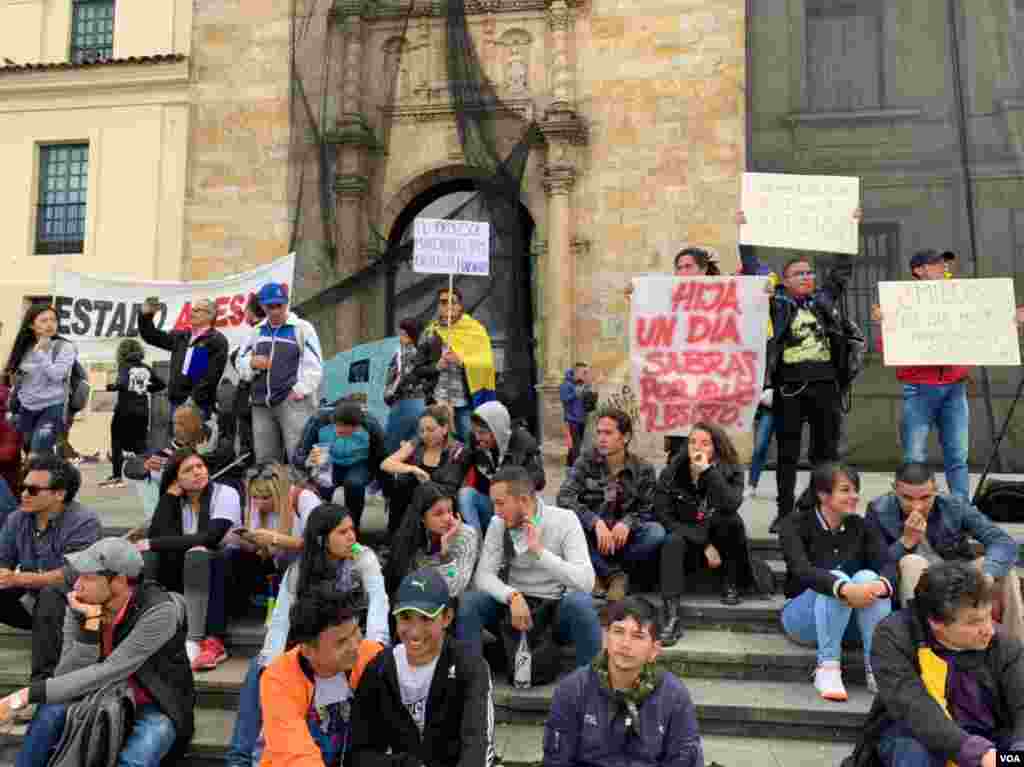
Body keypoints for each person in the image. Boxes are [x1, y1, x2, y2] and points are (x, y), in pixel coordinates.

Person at [1, 538, 195, 767]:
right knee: (48, 714)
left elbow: (110, 670)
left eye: (89, 577)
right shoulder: (82, 605)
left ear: (119, 582)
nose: (77, 586)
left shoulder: (159, 611)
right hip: (98, 695)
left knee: (136, 758)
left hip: (153, 702)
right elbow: (66, 673)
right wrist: (89, 625)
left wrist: (24, 695)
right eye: (79, 576)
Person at [226, 505, 389, 767]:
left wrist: (377, 644)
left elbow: (379, 601)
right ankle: (239, 756)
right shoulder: (299, 569)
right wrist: (270, 660)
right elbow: (280, 621)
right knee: (260, 668)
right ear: (323, 539)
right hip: (308, 645)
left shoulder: (363, 559)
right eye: (343, 532)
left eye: (352, 530)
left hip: (349, 641)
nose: (351, 537)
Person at [842, 561, 1024, 767]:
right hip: (918, 734)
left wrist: (1017, 753)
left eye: (988, 617)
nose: (989, 630)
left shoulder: (1004, 642)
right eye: (974, 622)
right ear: (936, 622)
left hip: (990, 737)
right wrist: (975, 752)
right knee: (912, 750)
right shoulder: (894, 636)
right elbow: (913, 708)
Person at [457, 466, 602, 671]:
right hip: (513, 608)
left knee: (581, 603)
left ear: (523, 500)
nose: (495, 511)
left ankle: (590, 686)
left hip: (554, 609)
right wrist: (512, 595)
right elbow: (483, 576)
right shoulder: (498, 523)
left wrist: (539, 552)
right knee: (470, 602)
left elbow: (587, 581)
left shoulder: (565, 519)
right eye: (493, 504)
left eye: (500, 503)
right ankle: (470, 677)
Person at [350, 567, 497, 767]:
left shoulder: (470, 666)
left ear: (447, 617)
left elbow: (478, 746)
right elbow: (358, 754)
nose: (415, 632)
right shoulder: (379, 669)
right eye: (405, 617)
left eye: (426, 618)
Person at [864, 462, 1023, 639]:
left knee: (1005, 571)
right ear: (895, 490)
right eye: (907, 498)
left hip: (957, 575)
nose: (917, 506)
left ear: (935, 490)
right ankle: (921, 646)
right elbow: (875, 564)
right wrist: (905, 542)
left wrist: (988, 574)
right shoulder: (878, 509)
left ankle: (1016, 648)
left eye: (925, 497)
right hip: (917, 585)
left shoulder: (953, 505)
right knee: (911, 562)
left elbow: (1002, 541)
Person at [543, 596, 705, 767]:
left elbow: (684, 761)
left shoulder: (674, 696)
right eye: (618, 632)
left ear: (654, 650)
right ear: (606, 638)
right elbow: (556, 760)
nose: (625, 644)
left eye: (638, 636)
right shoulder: (573, 689)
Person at [779, 462, 893, 701]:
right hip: (803, 618)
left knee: (869, 577)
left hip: (850, 620)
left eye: (855, 490)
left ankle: (877, 667)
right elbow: (802, 570)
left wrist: (878, 585)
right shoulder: (794, 524)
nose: (854, 496)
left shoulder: (862, 525)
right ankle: (827, 668)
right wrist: (843, 588)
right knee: (837, 579)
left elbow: (889, 564)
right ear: (822, 494)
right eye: (845, 490)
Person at [762, 253, 855, 533]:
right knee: (787, 454)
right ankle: (784, 513)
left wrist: (846, 231)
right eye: (798, 274)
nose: (806, 277)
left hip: (826, 386)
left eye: (809, 273)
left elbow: (840, 272)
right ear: (785, 281)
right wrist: (744, 234)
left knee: (825, 454)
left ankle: (817, 509)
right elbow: (749, 275)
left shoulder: (823, 301)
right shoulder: (776, 304)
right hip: (788, 389)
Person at [138, 448, 242, 671]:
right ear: (176, 479)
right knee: (156, 555)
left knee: (203, 553)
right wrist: (168, 497)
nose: (197, 472)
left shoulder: (225, 493)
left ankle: (210, 640)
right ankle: (154, 623)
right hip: (186, 574)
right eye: (188, 470)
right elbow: (157, 536)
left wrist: (155, 543)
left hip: (228, 570)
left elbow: (211, 538)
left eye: (200, 466)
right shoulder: (176, 501)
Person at [0, 455, 100, 685]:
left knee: (51, 593)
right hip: (30, 602)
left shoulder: (83, 521)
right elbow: (3, 559)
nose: (24, 494)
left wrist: (18, 578)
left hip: (74, 606)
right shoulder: (17, 519)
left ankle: (42, 687)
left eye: (33, 490)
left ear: (59, 494)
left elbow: (71, 575)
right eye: (22, 487)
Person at [258, 586, 385, 767]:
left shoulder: (371, 655)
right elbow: (295, 755)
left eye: (356, 631)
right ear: (308, 650)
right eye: (341, 642)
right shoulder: (278, 679)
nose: (354, 646)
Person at [654, 423, 750, 644]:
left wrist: (708, 472)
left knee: (732, 522)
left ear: (716, 448)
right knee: (672, 540)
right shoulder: (673, 471)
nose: (697, 448)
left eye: (705, 443)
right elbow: (663, 514)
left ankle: (730, 581)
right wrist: (704, 544)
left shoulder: (732, 470)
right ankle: (672, 616)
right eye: (692, 442)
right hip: (691, 541)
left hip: (722, 541)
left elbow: (730, 504)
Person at [556, 407, 663, 602]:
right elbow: (564, 497)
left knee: (655, 532)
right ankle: (615, 576)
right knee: (567, 521)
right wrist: (594, 522)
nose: (601, 438)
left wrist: (628, 523)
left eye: (608, 433)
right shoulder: (586, 461)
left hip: (623, 540)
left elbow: (649, 507)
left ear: (625, 436)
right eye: (598, 432)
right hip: (593, 538)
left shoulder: (643, 469)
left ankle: (600, 574)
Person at [237, 282, 324, 464]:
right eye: (270, 306)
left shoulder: (302, 328)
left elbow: (314, 365)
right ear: (262, 306)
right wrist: (252, 363)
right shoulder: (256, 331)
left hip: (293, 402)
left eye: (280, 305)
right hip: (261, 404)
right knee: (265, 460)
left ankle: (303, 491)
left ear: (286, 304)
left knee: (300, 456)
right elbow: (240, 361)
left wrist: (299, 390)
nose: (275, 311)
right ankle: (272, 491)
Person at [294, 400, 387, 531]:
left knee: (354, 484)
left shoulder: (370, 425)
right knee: (323, 485)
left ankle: (352, 527)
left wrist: (384, 485)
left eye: (349, 432)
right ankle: (323, 529)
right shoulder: (318, 421)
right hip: (329, 462)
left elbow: (382, 455)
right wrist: (307, 461)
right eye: (339, 430)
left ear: (358, 426)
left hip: (359, 463)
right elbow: (299, 454)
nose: (342, 433)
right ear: (334, 422)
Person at [457, 400, 545, 536]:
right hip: (489, 504)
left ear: (496, 429)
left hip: (513, 507)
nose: (477, 437)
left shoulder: (523, 442)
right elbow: (456, 470)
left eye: (482, 432)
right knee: (465, 495)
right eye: (475, 432)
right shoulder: (475, 441)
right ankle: (477, 545)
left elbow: (539, 479)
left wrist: (511, 486)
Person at [422, 286, 496, 442]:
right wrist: (437, 366)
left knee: (470, 442)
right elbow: (418, 369)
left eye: (452, 302)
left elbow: (486, 364)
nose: (448, 306)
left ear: (460, 306)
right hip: (437, 402)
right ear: (438, 306)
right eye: (443, 302)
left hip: (465, 401)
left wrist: (462, 361)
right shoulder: (430, 332)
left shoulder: (475, 329)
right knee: (438, 444)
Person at [3, 304, 79, 455]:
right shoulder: (24, 347)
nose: (50, 324)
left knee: (38, 451)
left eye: (53, 320)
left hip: (52, 407)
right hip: (26, 408)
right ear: (31, 324)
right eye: (44, 320)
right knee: (27, 451)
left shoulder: (65, 347)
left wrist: (41, 353)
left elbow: (57, 375)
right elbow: (13, 379)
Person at [380, 405, 468, 536]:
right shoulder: (418, 443)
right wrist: (413, 468)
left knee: (418, 489)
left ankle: (408, 539)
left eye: (430, 430)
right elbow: (386, 464)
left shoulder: (457, 450)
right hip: (418, 494)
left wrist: (427, 484)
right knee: (402, 483)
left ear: (444, 429)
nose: (425, 435)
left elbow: (451, 488)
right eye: (421, 430)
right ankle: (394, 536)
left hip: (443, 497)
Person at [138, 295, 229, 422]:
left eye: (197, 310)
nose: (192, 312)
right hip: (177, 403)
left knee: (196, 441)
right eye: (192, 309)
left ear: (210, 315)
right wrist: (145, 315)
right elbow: (151, 336)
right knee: (178, 441)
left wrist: (192, 401)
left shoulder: (216, 340)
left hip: (197, 406)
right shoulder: (181, 336)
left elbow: (210, 377)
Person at [383, 481, 479, 598]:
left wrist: (445, 557)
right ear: (422, 518)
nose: (448, 518)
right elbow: (409, 583)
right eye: (439, 514)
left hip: (459, 602)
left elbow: (454, 588)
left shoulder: (466, 535)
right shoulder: (412, 537)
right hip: (421, 602)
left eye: (450, 510)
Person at [100, 338, 166, 489]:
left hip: (124, 410)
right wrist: (146, 388)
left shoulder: (124, 366)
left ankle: (117, 476)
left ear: (122, 353)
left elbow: (122, 383)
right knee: (141, 444)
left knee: (117, 442)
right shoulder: (146, 368)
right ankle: (149, 472)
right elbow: (161, 384)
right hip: (142, 411)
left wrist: (113, 386)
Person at [383, 317, 442, 454]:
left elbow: (400, 379)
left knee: (393, 448)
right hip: (420, 404)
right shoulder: (422, 353)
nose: (400, 337)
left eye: (404, 334)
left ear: (412, 335)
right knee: (415, 448)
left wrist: (389, 395)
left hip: (404, 403)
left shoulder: (405, 354)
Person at [231, 295, 266, 464]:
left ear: (252, 312)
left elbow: (250, 367)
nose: (244, 312)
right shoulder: (258, 331)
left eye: (246, 309)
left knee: (251, 440)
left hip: (253, 395)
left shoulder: (258, 333)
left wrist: (242, 363)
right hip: (252, 396)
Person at [560, 363, 596, 468]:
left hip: (581, 419)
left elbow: (587, 402)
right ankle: (577, 470)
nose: (586, 375)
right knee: (576, 446)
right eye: (584, 372)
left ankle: (570, 467)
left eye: (587, 373)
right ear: (576, 372)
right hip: (571, 420)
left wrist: (590, 390)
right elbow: (564, 399)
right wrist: (576, 393)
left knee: (575, 446)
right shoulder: (566, 384)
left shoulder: (581, 384)